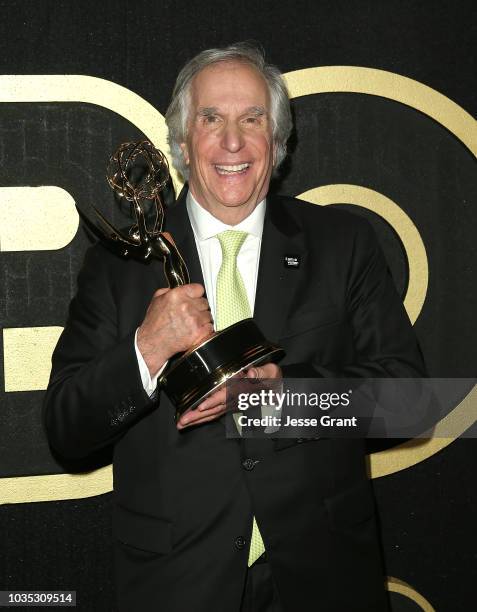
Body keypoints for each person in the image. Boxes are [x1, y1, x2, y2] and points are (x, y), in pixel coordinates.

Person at [43, 43, 426, 611]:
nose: (232, 141)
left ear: (278, 141)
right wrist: (145, 350)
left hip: (325, 580)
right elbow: (65, 431)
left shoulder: (343, 243)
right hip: (178, 585)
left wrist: (283, 399)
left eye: (253, 118)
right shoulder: (118, 266)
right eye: (211, 119)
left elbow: (413, 403)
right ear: (180, 142)